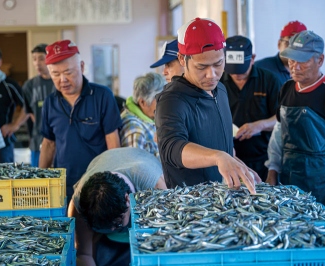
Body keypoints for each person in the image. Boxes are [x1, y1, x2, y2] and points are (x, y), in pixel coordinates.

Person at [155, 17, 258, 193]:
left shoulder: (221, 90)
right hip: (191, 205)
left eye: (218, 64)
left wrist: (239, 166)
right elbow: (172, 147)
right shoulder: (171, 100)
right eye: (202, 67)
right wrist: (217, 157)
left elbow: (223, 145)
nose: (212, 75)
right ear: (182, 59)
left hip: (223, 196)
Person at [265, 30, 325, 217]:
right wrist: (272, 169)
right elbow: (278, 133)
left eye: (303, 61)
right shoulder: (286, 89)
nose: (295, 67)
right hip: (289, 183)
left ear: (320, 60)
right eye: (292, 60)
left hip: (323, 187)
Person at [39, 40, 122, 203]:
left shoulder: (102, 96)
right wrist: (40, 180)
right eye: (55, 74)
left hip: (97, 185)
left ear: (82, 67)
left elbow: (112, 141)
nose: (62, 79)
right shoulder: (50, 102)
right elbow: (49, 144)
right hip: (64, 184)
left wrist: (112, 181)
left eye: (68, 72)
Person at [68, 147, 167, 266]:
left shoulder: (154, 187)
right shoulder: (82, 202)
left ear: (127, 199)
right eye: (104, 227)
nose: (113, 230)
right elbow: (84, 254)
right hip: (107, 160)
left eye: (117, 224)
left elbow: (165, 245)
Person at [220, 36, 281, 181]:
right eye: (232, 70)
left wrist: (260, 125)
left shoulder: (269, 80)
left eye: (241, 69)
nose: (237, 74)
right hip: (228, 158)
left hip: (263, 159)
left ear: (252, 58)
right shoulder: (218, 82)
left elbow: (283, 118)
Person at [22, 44, 55, 167]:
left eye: (41, 58)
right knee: (38, 179)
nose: (37, 63)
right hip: (37, 141)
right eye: (34, 59)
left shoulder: (59, 83)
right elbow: (30, 113)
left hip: (60, 141)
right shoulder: (29, 86)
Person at [120, 72, 165, 158]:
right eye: (160, 100)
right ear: (143, 102)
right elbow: (137, 168)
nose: (165, 105)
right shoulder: (134, 129)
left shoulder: (151, 117)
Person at [255, 21, 307, 86]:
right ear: (279, 44)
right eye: (288, 43)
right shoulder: (260, 69)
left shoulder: (310, 72)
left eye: (298, 45)